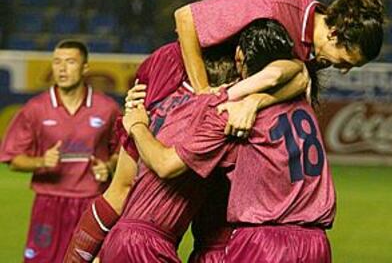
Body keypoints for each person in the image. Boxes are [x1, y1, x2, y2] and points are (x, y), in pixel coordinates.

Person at [63, 19, 308, 262]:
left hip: (131, 239)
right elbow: (299, 74)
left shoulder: (155, 109)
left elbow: (118, 192)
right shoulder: (225, 114)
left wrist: (82, 257)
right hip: (227, 245)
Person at [123, 20, 334, 262]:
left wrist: (137, 123)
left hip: (264, 241)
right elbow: (298, 72)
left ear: (239, 57)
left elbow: (166, 164)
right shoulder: (303, 97)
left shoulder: (229, 110)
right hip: (315, 243)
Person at [174, 0, 385, 135]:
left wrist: (254, 102)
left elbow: (298, 80)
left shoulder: (314, 53)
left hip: (219, 107)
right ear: (334, 34)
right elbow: (186, 18)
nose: (344, 70)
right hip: (178, 89)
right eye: (346, 61)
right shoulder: (272, 5)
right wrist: (202, 93)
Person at [0, 39, 121, 262]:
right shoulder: (35, 109)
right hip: (49, 203)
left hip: (91, 202)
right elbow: (12, 158)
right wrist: (41, 162)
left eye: (70, 62)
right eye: (57, 62)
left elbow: (123, 151)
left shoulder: (108, 109)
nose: (62, 68)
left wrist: (109, 166)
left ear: (85, 67)